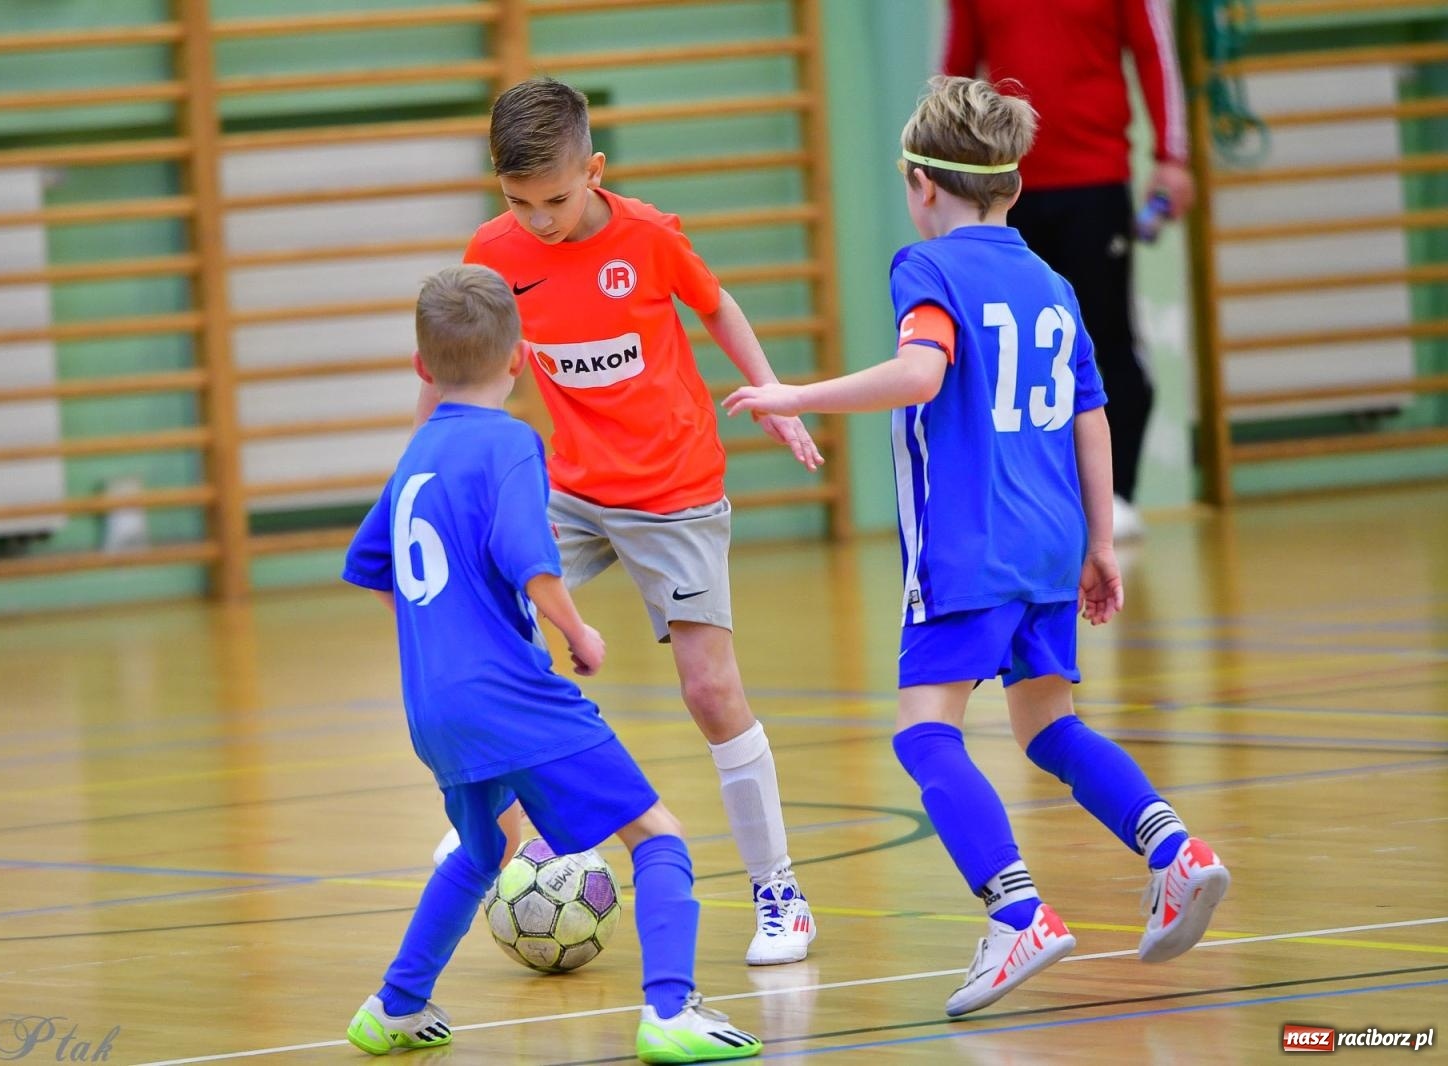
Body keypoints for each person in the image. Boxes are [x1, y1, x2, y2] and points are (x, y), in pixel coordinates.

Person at [723, 76, 1229, 1017]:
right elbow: (1091, 414)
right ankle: (1177, 852)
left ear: (920, 184)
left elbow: (921, 375)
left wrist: (792, 395)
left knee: (925, 734)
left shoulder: (929, 269)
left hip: (967, 550)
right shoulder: (1052, 283)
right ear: (1016, 188)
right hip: (1049, 544)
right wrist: (1099, 542)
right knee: (1049, 729)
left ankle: (1017, 912)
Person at [420, 77, 822, 966]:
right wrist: (428, 460)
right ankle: (490, 822)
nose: (539, 220)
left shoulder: (647, 237)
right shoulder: (494, 250)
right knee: (482, 625)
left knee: (709, 691)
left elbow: (715, 305)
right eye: (518, 202)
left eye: (556, 199)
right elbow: (457, 358)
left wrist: (779, 398)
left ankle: (780, 894)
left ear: (593, 171)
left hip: (673, 486)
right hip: (569, 488)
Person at [343, 264, 762, 1062]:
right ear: (523, 358)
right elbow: (529, 559)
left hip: (432, 706)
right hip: (512, 695)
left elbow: (374, 567)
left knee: (482, 850)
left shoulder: (415, 459)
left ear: (421, 367)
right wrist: (576, 631)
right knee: (657, 832)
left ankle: (394, 1006)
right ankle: (672, 1011)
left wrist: (441, 639)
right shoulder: (509, 443)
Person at [943, 0, 1194, 540]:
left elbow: (1155, 54)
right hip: (1006, 189)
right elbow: (956, 78)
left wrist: (1172, 157)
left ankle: (1116, 495)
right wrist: (943, 175)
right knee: (1012, 350)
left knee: (1104, 342)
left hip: (1094, 181)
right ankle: (1028, 500)